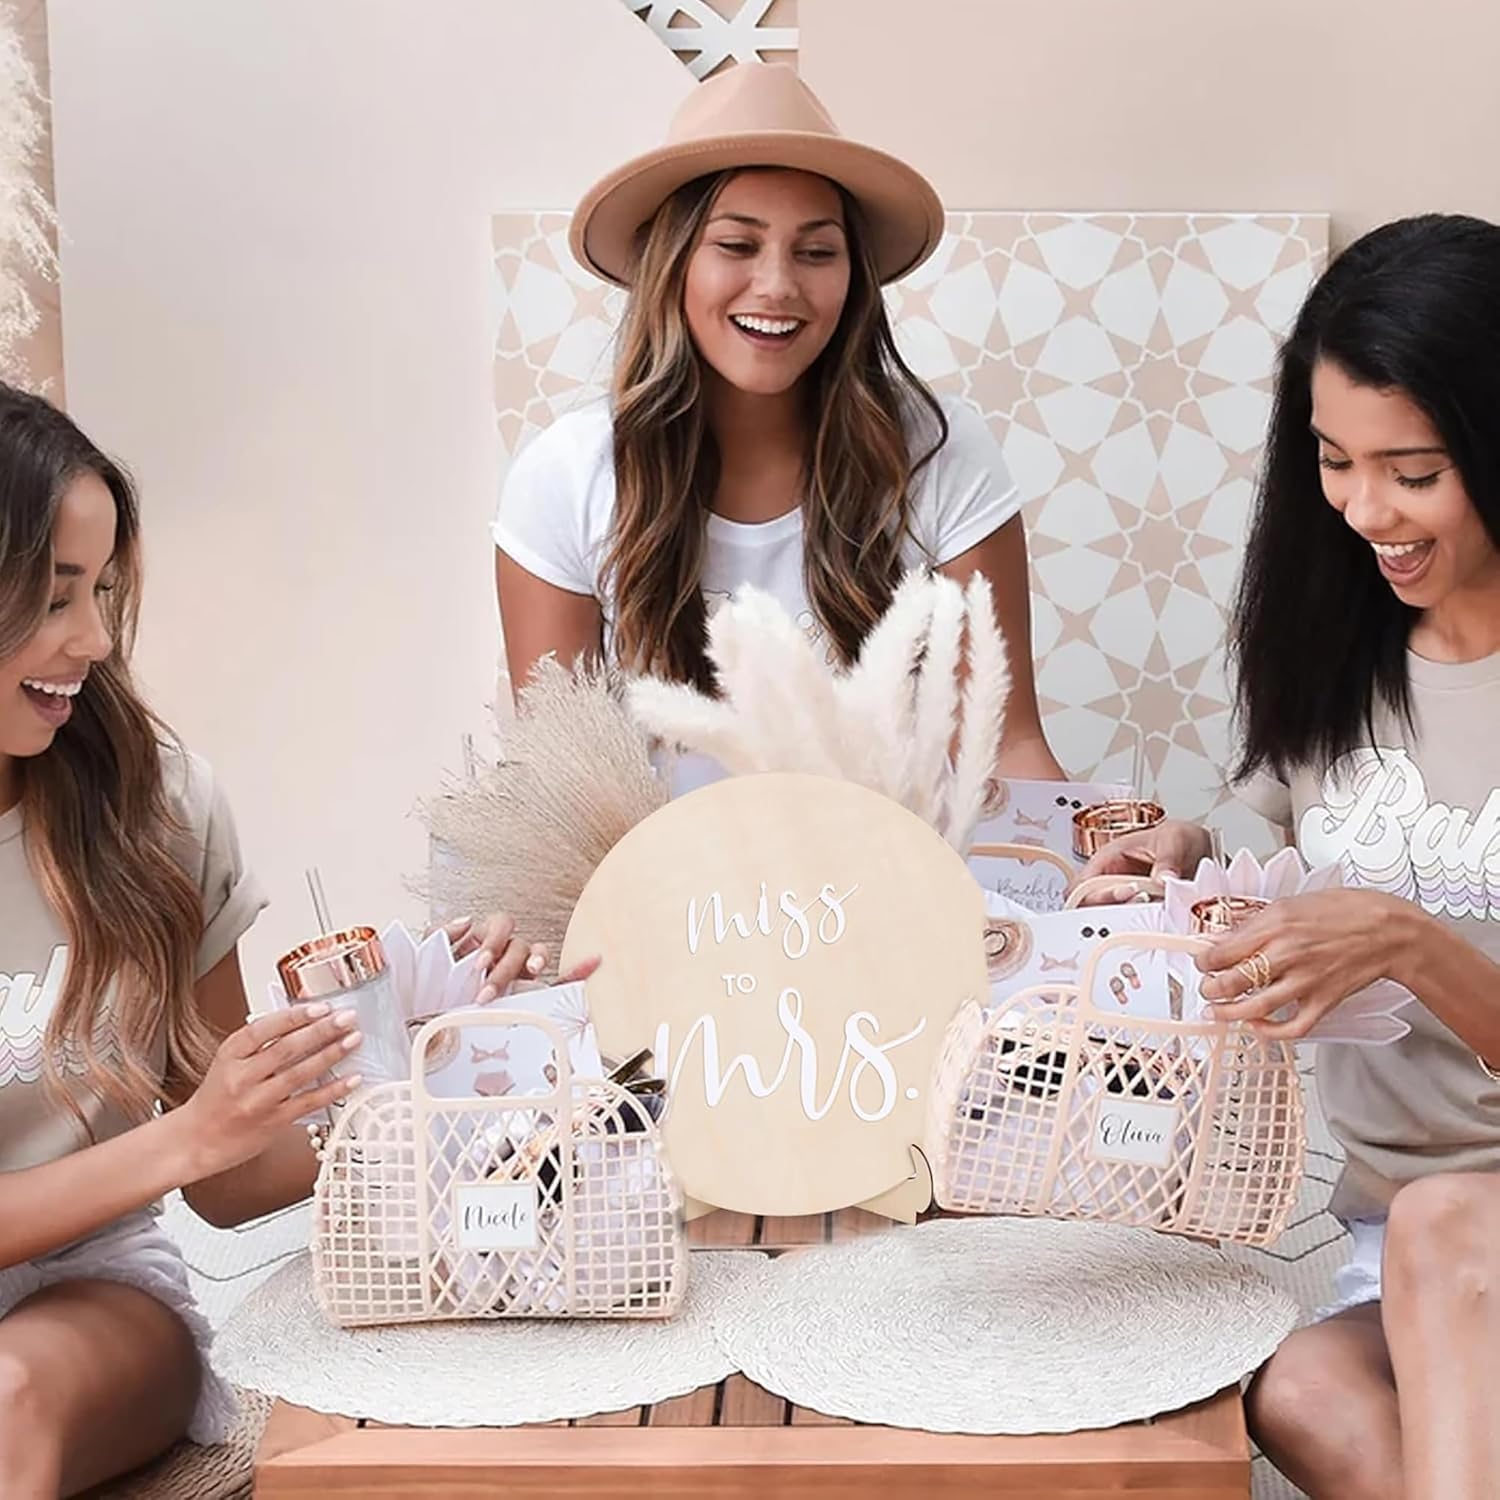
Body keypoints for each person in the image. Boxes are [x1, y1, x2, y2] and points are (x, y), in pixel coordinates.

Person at [0, 387, 540, 1497]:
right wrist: (181, 1140)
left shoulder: (161, 808)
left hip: (79, 1308)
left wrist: (420, 1041)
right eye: (55, 596)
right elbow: (192, 1144)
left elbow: (232, 1177)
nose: (96, 641)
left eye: (103, 592)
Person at [1077, 214, 1500, 1500]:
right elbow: (1278, 825)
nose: (1366, 510)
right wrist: (1192, 849)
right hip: (1399, 1238)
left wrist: (1407, 943)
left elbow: (1379, 918)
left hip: (1463, 1226)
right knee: (1303, 1386)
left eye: (1413, 471)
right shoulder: (1344, 641)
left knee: (1448, 1223)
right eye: (1333, 461)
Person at [493, 62, 1062, 780]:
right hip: (661, 888)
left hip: (898, 881)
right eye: (736, 245)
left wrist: (1100, 858)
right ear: (672, 265)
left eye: (817, 251)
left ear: (853, 276)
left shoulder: (940, 451)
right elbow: (559, 781)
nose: (779, 285)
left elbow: (1006, 747)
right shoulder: (566, 475)